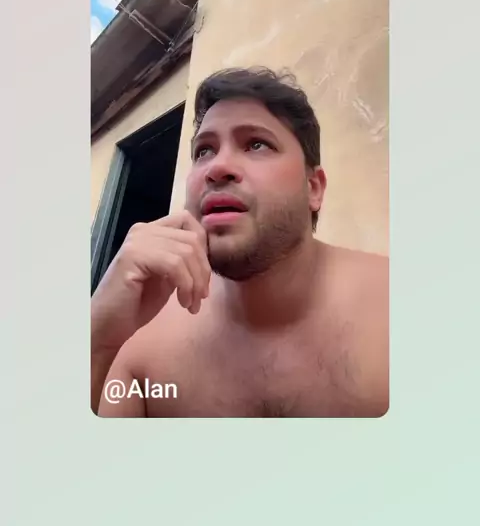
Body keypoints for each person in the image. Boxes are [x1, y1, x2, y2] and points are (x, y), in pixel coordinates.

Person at [91, 67, 389, 417]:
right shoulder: (138, 343)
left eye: (256, 144)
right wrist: (96, 339)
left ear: (313, 188)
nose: (217, 168)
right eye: (204, 151)